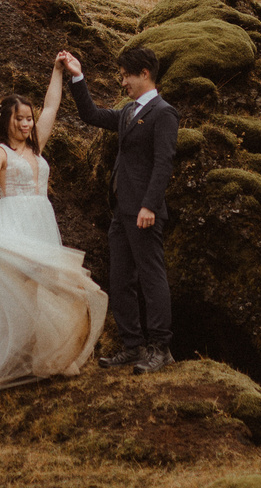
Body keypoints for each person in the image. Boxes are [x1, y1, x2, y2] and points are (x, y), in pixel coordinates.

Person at [0, 58, 108, 390]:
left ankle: (48, 358)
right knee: (21, 292)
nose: (26, 124)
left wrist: (57, 71)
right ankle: (11, 363)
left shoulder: (36, 144)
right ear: (7, 120)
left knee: (50, 289)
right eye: (19, 119)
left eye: (28, 119)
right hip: (15, 225)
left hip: (41, 221)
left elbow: (52, 106)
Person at [58, 43, 177, 374]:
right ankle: (133, 346)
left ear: (145, 73)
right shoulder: (128, 112)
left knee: (152, 278)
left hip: (143, 212)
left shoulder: (164, 113)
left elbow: (164, 162)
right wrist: (78, 77)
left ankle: (160, 349)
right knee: (120, 278)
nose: (122, 82)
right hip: (120, 212)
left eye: (126, 76)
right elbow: (91, 115)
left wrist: (149, 205)